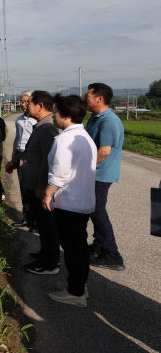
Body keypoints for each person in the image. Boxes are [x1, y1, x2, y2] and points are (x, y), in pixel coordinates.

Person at [42, 94, 97, 307]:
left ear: (65, 115)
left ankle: (75, 293)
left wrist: (48, 193)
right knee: (79, 247)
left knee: (73, 249)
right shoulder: (85, 137)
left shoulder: (64, 139)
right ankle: (78, 285)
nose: (53, 115)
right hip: (82, 201)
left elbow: (60, 174)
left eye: (55, 111)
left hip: (70, 202)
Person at [7, 90, 61, 274]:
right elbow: (30, 151)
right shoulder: (41, 125)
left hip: (39, 187)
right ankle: (46, 253)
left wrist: (41, 186)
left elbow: (49, 161)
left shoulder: (48, 129)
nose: (26, 106)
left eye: (29, 102)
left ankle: (50, 262)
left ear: (40, 105)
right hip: (34, 184)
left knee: (47, 225)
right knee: (43, 223)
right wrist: (15, 162)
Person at [85, 82, 125, 270]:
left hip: (100, 174)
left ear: (99, 98)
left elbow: (104, 151)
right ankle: (99, 246)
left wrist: (83, 169)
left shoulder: (109, 120)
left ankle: (112, 254)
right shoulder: (95, 118)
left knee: (98, 211)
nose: (86, 99)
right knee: (94, 211)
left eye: (88, 96)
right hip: (94, 173)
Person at [7, 91, 37, 228]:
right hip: (20, 153)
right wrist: (13, 157)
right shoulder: (19, 119)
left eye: (26, 101)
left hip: (31, 156)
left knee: (34, 189)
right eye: (22, 101)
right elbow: (17, 138)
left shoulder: (37, 120)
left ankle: (36, 220)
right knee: (23, 187)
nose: (23, 104)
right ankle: (27, 218)